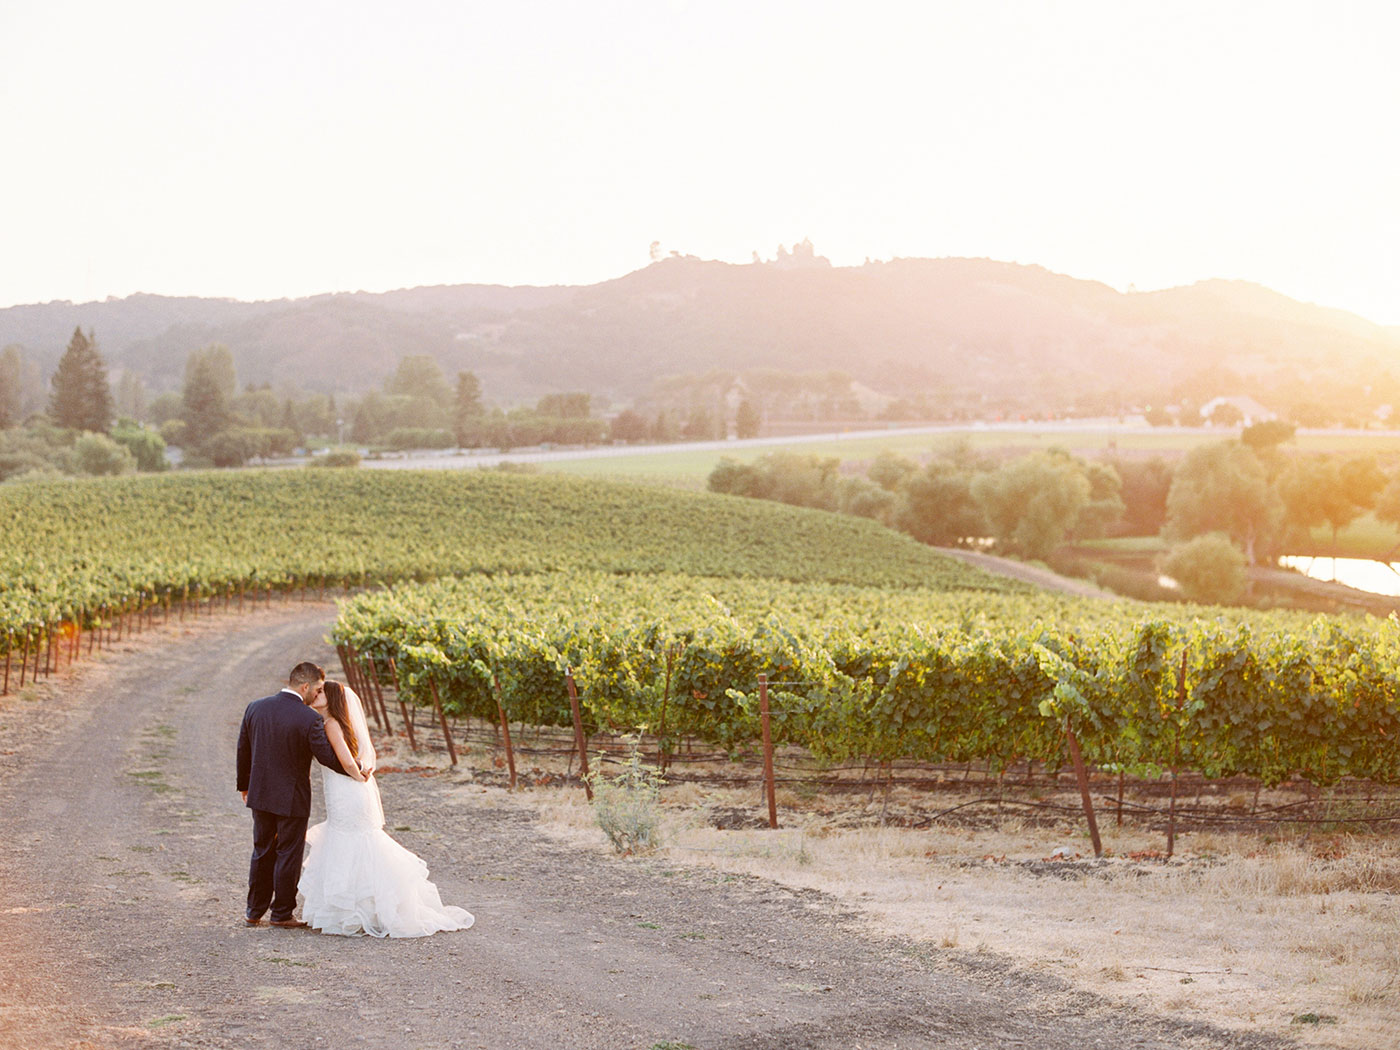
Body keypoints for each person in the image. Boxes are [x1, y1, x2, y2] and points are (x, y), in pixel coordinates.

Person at [298, 680, 474, 938]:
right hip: (352, 791)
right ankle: (369, 908)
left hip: (346, 790)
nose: (316, 694)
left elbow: (347, 763)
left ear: (333, 698)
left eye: (322, 691)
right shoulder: (341, 725)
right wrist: (363, 774)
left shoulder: (331, 724)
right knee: (360, 841)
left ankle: (355, 911)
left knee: (350, 841)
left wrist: (358, 776)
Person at [236, 661, 361, 928]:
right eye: (316, 690)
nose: (317, 695)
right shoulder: (309, 718)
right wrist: (357, 767)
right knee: (288, 854)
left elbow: (243, 749)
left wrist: (244, 786)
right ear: (305, 686)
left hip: (260, 794)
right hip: (292, 797)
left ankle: (253, 911)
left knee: (262, 850)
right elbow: (327, 758)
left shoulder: (255, 707)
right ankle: (281, 914)